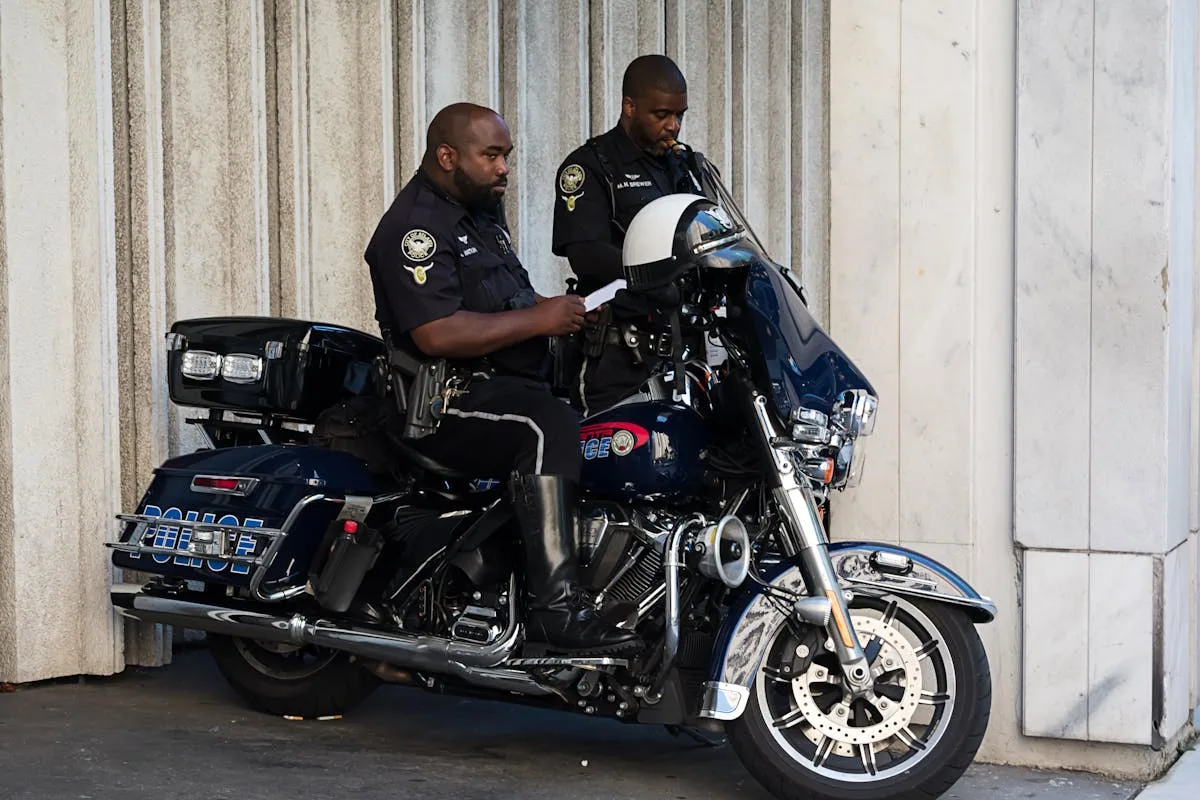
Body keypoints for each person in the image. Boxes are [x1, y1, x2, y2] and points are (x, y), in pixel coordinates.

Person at [364, 102, 638, 654]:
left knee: (620, 421)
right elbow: (436, 333)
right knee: (546, 428)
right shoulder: (414, 227)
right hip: (442, 399)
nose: (503, 169)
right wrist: (539, 319)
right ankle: (556, 609)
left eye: (506, 156)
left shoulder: (482, 216)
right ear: (447, 156)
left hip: (503, 384)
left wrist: (565, 310)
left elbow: (507, 299)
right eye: (491, 156)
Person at [552, 54, 713, 414]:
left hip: (686, 348)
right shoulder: (590, 166)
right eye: (661, 115)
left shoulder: (687, 168)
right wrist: (659, 271)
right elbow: (585, 254)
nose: (673, 126)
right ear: (629, 106)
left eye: (680, 116)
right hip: (620, 353)